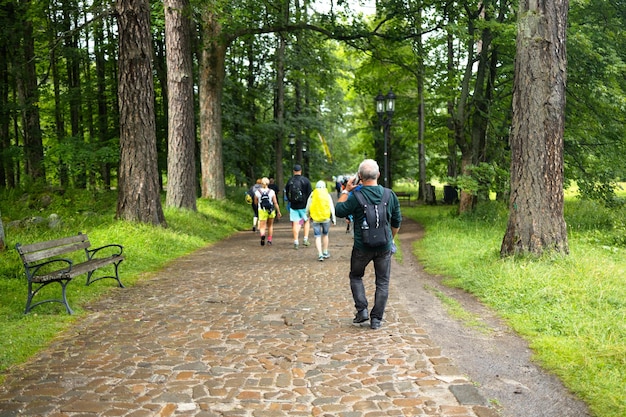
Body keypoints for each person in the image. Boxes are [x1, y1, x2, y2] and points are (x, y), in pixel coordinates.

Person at [335, 159, 402, 330]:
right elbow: (396, 221)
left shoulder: (355, 196)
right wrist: (390, 238)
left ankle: (362, 310)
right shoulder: (389, 195)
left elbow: (339, 210)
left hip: (362, 246)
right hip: (384, 246)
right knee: (383, 282)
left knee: (356, 276)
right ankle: (376, 319)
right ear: (378, 175)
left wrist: (346, 190)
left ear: (359, 177)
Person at [306, 180, 337, 261]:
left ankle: (320, 254)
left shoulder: (312, 194)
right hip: (326, 218)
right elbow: (331, 207)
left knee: (317, 236)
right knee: (325, 235)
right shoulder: (327, 194)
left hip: (315, 218)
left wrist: (307, 216)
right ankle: (325, 252)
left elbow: (308, 206)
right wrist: (333, 219)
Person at [285, 164, 312, 249]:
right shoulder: (305, 180)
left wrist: (290, 201)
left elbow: (286, 193)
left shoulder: (290, 181)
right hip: (304, 205)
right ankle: (305, 239)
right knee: (306, 221)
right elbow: (310, 194)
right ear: (301, 171)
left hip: (293, 206)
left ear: (293, 171)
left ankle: (296, 242)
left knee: (295, 224)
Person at [254, 177, 282, 246]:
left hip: (262, 210)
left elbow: (255, 202)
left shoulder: (257, 192)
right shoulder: (271, 192)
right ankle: (269, 240)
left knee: (262, 226)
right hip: (271, 210)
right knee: (270, 226)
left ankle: (263, 235)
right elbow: (275, 202)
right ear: (268, 183)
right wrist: (278, 211)